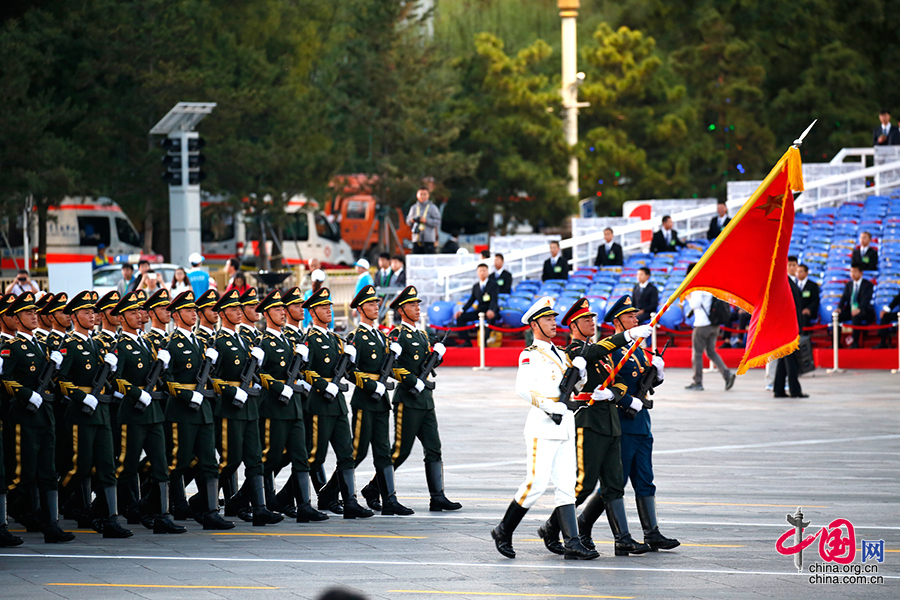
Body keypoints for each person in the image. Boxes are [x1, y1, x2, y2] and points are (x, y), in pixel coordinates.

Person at [536, 298, 651, 557]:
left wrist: (612, 394)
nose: (592, 323)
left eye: (593, 319)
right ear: (574, 325)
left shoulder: (602, 355)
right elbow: (591, 353)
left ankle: (623, 538)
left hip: (610, 423)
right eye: (586, 319)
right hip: (588, 424)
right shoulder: (574, 352)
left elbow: (619, 381)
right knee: (584, 485)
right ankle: (551, 527)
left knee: (613, 484)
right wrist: (627, 335)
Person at [490, 296, 597, 560]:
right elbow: (523, 389)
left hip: (565, 425)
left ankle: (572, 541)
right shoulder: (529, 354)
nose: (553, 323)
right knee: (536, 483)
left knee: (566, 484)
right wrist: (549, 406)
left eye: (553, 318)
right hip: (543, 425)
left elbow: (573, 387)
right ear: (535, 324)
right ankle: (503, 530)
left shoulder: (560, 353)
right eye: (548, 319)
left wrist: (581, 378)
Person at [323, 286, 414, 516]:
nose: (376, 307)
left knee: (383, 451)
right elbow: (349, 371)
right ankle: (329, 492)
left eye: (376, 303)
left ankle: (390, 500)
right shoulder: (356, 337)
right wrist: (372, 384)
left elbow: (389, 367)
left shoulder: (381, 336)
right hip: (365, 400)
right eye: (372, 304)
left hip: (382, 400)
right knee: (358, 451)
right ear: (361, 308)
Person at [57, 290, 133, 538]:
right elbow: (61, 380)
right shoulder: (69, 345)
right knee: (80, 466)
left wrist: (113, 380)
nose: (92, 315)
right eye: (86, 312)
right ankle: (52, 501)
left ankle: (109, 518)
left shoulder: (96, 344)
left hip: (100, 410)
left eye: (93, 311)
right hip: (81, 412)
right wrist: (81, 396)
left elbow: (104, 379)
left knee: (106, 465)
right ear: (74, 316)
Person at [607, 295, 680, 552]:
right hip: (622, 423)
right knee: (616, 482)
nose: (636, 319)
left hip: (641, 423)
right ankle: (621, 538)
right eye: (630, 316)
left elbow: (642, 383)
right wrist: (628, 400)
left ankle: (652, 532)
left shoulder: (637, 348)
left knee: (645, 479)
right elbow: (608, 386)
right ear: (618, 321)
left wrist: (657, 374)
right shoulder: (611, 349)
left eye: (635, 315)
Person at [110, 290, 185, 534]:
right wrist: (135, 393)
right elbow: (116, 379)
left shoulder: (147, 343)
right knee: (127, 466)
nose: (138, 315)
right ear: (121, 318)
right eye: (132, 312)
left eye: (139, 311)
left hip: (153, 413)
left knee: (161, 465)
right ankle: (105, 512)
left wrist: (163, 364)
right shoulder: (120, 345)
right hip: (132, 412)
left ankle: (161, 515)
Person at [2, 292, 75, 544]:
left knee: (47, 471)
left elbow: (54, 382)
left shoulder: (43, 346)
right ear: (15, 318)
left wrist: (56, 368)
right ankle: (10, 513)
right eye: (27, 313)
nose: (33, 316)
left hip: (45, 415)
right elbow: (6, 380)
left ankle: (50, 525)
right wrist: (25, 394)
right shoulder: (11, 347)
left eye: (35, 312)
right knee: (23, 473)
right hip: (24, 415)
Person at [251, 288, 328, 523]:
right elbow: (257, 373)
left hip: (294, 406)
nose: (283, 313)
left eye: (283, 309)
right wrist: (277, 387)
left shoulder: (289, 340)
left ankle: (304, 505)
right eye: (277, 309)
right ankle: (258, 504)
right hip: (273, 407)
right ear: (266, 314)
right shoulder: (262, 342)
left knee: (301, 455)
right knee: (271, 457)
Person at [210, 289, 284, 527]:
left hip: (250, 406)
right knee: (230, 460)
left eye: (240, 309)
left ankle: (259, 508)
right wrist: (232, 391)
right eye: (233, 309)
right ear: (222, 313)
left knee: (255, 459)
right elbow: (210, 378)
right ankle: (205, 502)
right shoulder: (218, 342)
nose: (239, 312)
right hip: (230, 406)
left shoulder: (245, 340)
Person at [385, 285, 461, 512]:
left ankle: (437, 496)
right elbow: (391, 367)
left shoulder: (422, 335)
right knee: (400, 451)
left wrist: (438, 356)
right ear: (401, 310)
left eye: (418, 304)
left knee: (434, 448)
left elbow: (427, 365)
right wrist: (411, 381)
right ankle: (375, 489)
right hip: (408, 398)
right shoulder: (397, 335)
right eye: (412, 305)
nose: (417, 308)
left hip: (425, 399)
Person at [163, 290, 234, 530]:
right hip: (181, 411)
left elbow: (210, 377)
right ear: (175, 315)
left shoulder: (201, 343)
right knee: (178, 462)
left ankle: (210, 512)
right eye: (188, 311)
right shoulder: (171, 344)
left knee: (209, 462)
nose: (193, 314)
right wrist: (186, 394)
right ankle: (156, 507)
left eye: (195, 310)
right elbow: (167, 380)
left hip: (202, 409)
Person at [301, 287, 374, 519]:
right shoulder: (308, 340)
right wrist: (324, 385)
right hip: (319, 404)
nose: (329, 310)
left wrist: (358, 368)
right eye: (324, 307)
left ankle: (350, 501)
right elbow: (304, 371)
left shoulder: (336, 340)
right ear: (313, 312)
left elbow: (349, 371)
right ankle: (291, 499)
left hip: (339, 405)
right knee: (315, 457)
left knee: (346, 454)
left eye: (330, 306)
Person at [684, 263, 736, 391]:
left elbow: (695, 304)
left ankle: (698, 382)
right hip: (714, 324)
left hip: (702, 325)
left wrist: (687, 296)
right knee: (711, 352)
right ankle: (727, 374)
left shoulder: (698, 287)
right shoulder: (711, 285)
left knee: (697, 354)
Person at [774, 273, 807, 398]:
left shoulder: (789, 282)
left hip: (787, 324)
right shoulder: (784, 282)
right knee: (791, 360)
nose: (793, 268)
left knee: (783, 359)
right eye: (790, 265)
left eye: (795, 265)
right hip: (788, 325)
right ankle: (795, 390)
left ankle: (778, 389)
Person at [454, 263, 499, 346]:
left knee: (491, 318)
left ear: (487, 272)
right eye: (480, 271)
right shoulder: (476, 286)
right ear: (477, 273)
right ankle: (467, 341)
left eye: (484, 271)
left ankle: (485, 341)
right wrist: (462, 310)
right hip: (479, 311)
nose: (482, 273)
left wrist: (491, 310)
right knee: (460, 317)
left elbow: (494, 300)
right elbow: (471, 300)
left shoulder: (493, 284)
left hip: (490, 311)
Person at [838, 263, 875, 348]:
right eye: (851, 272)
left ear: (861, 273)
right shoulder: (849, 285)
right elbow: (843, 298)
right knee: (837, 317)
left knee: (856, 316)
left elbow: (866, 299)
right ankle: (836, 343)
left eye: (855, 272)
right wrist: (839, 308)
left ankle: (855, 342)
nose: (852, 274)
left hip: (864, 311)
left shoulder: (868, 285)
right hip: (851, 310)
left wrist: (859, 309)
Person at [406, 187, 441, 254]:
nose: (422, 196)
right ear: (417, 195)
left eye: (425, 194)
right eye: (421, 194)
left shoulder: (432, 207)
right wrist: (412, 220)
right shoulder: (414, 208)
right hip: (416, 239)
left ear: (428, 195)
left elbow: (438, 221)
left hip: (429, 239)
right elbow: (408, 221)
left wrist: (426, 220)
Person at [796, 264, 820, 330]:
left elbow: (816, 300)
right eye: (797, 271)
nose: (798, 273)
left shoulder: (813, 285)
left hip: (808, 311)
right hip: (797, 310)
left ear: (806, 273)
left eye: (800, 271)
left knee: (804, 316)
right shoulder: (793, 285)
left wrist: (809, 309)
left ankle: (804, 336)